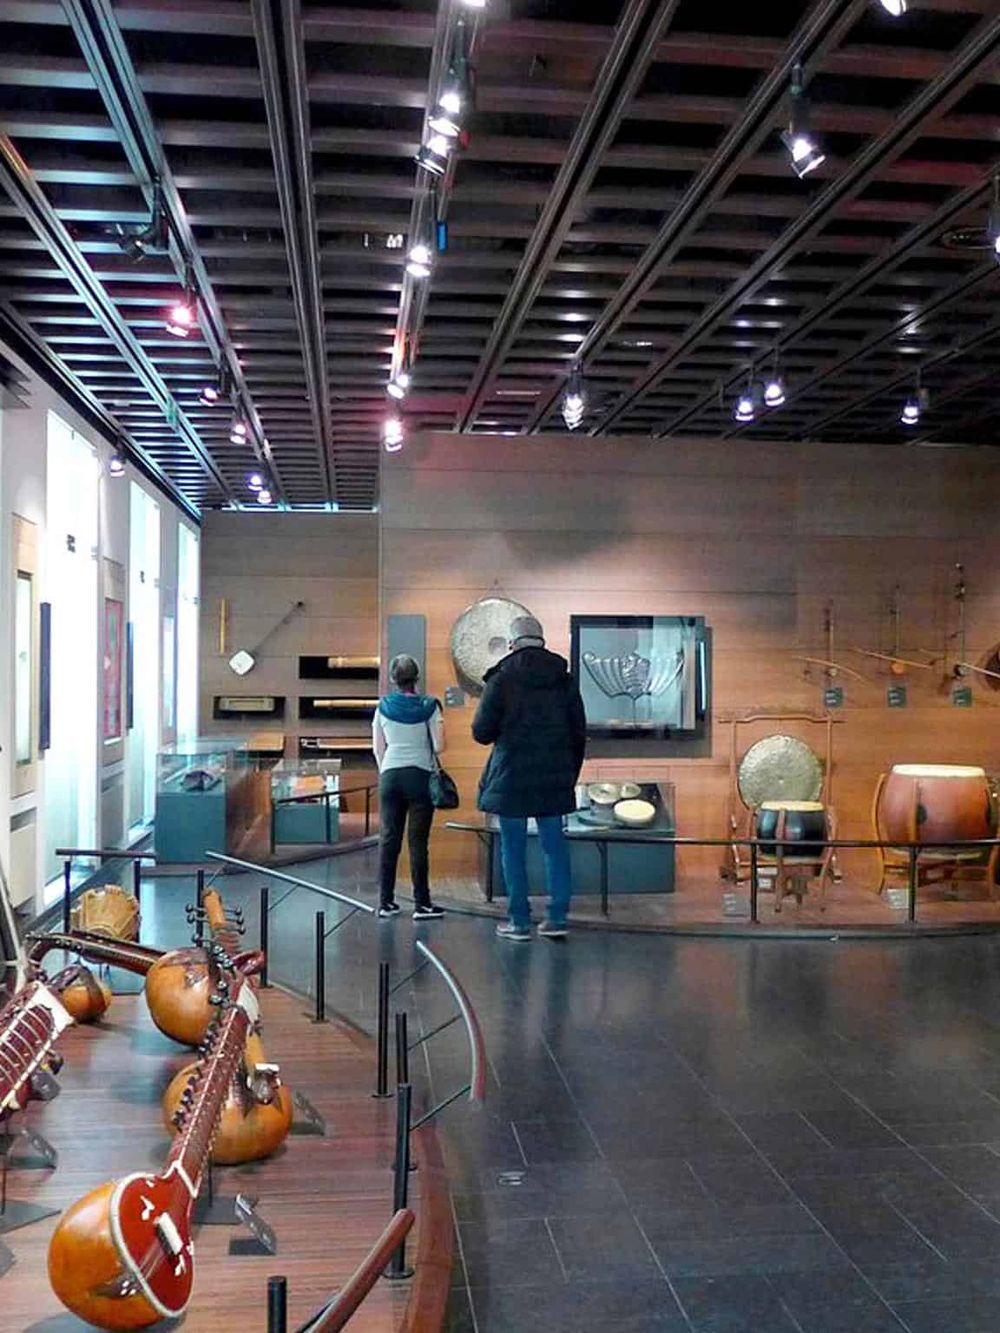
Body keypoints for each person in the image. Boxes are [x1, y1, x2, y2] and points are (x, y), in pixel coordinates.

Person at [472, 615, 586, 941]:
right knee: (554, 847)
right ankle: (557, 917)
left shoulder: (502, 679)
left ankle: (519, 921)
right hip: (553, 777)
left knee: (513, 848)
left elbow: (482, 732)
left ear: (512, 643)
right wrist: (569, 774)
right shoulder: (564, 679)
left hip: (511, 778)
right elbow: (579, 731)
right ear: (542, 639)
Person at [372, 654, 446, 921]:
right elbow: (439, 746)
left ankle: (385, 903)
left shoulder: (382, 707)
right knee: (417, 843)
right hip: (420, 776)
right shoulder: (430, 706)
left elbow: (378, 748)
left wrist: (387, 770)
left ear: (393, 680)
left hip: (390, 775)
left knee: (389, 840)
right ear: (417, 678)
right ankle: (422, 904)